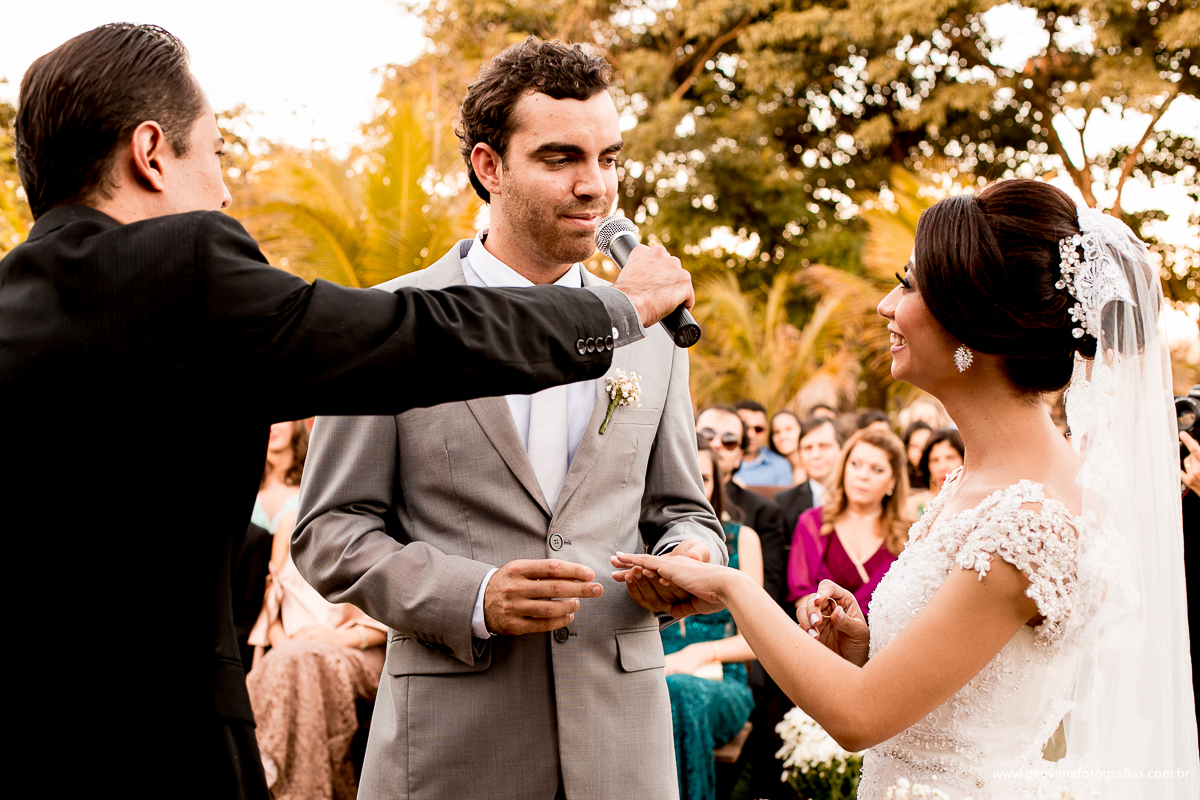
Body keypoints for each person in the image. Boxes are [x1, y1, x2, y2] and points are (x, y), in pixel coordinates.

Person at [0, 24, 697, 798]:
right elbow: (411, 344)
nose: (226, 191)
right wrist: (616, 313)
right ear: (152, 151)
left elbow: (681, 508)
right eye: (218, 153)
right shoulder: (181, 271)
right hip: (165, 740)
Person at [615, 179, 1199, 799]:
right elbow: (944, 698)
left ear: (973, 321)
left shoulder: (1032, 520)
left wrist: (733, 587)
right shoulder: (971, 484)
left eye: (910, 283)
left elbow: (860, 717)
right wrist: (868, 650)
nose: (885, 306)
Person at [291, 39, 726, 800]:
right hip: (452, 750)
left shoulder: (657, 330)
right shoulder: (392, 322)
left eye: (610, 158)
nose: (596, 186)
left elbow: (683, 509)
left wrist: (686, 554)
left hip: (621, 749)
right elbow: (329, 530)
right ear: (489, 166)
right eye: (561, 158)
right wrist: (473, 595)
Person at [246, 419, 386, 800]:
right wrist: (284, 640)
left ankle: (272, 767)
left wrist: (334, 638)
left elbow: (388, 619)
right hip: (298, 649)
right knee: (294, 659)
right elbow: (272, 605)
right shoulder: (287, 532)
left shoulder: (373, 530)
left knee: (300, 660)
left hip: (355, 646)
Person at [661, 435, 760, 800]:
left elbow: (756, 637)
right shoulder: (636, 543)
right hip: (652, 675)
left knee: (681, 693)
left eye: (701, 477)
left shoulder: (741, 538)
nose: (691, 486)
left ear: (716, 485)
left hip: (721, 682)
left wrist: (697, 655)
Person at [786, 428, 910, 622]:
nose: (863, 475)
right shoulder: (812, 523)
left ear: (893, 481)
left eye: (877, 469)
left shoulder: (910, 536)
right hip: (821, 639)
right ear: (844, 467)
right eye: (855, 464)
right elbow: (802, 593)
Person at [696, 405, 787, 604]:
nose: (716, 444)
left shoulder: (763, 512)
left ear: (739, 457)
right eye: (706, 435)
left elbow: (767, 597)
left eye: (729, 440)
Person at [775, 415, 847, 543]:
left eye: (824, 446)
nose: (815, 455)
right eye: (807, 448)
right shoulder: (784, 503)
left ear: (842, 449)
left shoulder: (858, 498)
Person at [905, 428, 964, 519]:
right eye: (935, 460)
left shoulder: (976, 502)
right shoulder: (912, 506)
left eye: (950, 457)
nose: (942, 467)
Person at [733, 399, 793, 486]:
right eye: (746, 427)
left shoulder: (780, 466)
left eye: (758, 429)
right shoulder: (720, 460)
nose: (751, 434)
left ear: (766, 430)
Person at [768, 409, 805, 486]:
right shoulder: (769, 468)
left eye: (789, 429)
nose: (783, 436)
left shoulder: (815, 463)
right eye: (776, 432)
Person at [901, 420, 933, 491]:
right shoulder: (900, 478)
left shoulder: (940, 475)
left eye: (926, 445)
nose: (921, 451)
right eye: (915, 446)